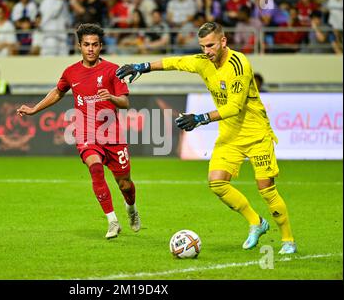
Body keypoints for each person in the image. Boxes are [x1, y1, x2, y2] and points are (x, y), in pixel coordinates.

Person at [115, 22, 297, 254]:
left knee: (266, 189)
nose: (206, 51)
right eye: (202, 46)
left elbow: (234, 106)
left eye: (210, 45)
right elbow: (175, 62)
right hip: (229, 136)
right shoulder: (203, 62)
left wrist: (201, 118)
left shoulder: (239, 65)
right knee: (217, 183)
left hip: (256, 135)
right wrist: (143, 66)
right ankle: (256, 222)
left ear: (223, 41)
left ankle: (288, 240)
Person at [16, 23, 141, 239]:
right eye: (86, 45)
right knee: (95, 168)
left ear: (101, 46)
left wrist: (111, 97)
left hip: (112, 135)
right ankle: (112, 220)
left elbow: (125, 103)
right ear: (79, 46)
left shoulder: (113, 70)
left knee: (125, 183)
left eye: (94, 45)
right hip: (86, 133)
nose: (90, 49)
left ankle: (131, 209)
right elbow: (58, 92)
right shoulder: (71, 72)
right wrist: (35, 109)